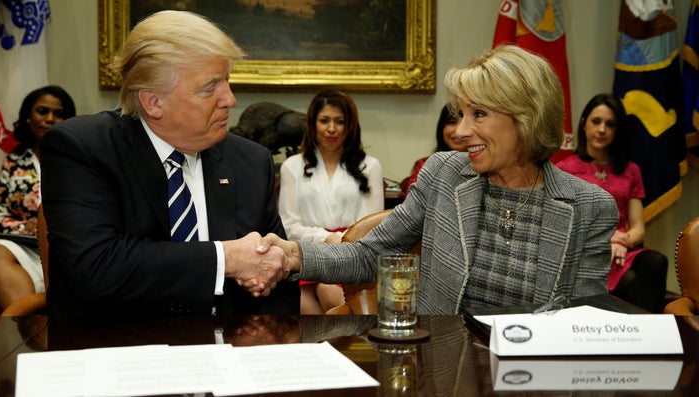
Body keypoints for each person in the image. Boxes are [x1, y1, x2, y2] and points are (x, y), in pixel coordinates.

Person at [256, 45, 619, 314]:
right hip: (442, 369)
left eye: (478, 114)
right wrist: (294, 256)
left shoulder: (590, 207)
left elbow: (583, 322)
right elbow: (370, 256)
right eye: (461, 114)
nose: (460, 131)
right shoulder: (443, 174)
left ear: (527, 117)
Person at [39, 10, 297, 318]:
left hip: (228, 350)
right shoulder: (82, 148)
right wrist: (224, 259)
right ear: (153, 101)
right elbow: (97, 268)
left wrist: (267, 338)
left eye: (227, 81)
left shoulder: (251, 162)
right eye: (210, 86)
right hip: (112, 350)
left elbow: (274, 275)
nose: (229, 99)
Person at [556, 93, 668, 313]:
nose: (601, 130)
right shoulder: (564, 169)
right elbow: (562, 225)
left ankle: (645, 340)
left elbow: (638, 228)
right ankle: (640, 339)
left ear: (617, 131)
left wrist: (622, 242)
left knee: (656, 261)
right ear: (583, 124)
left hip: (621, 251)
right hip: (585, 250)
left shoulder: (631, 170)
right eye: (596, 121)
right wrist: (607, 240)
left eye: (610, 124)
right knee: (635, 283)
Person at [278, 89, 384, 314]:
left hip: (353, 255)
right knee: (302, 311)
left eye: (339, 121)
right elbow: (288, 225)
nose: (331, 128)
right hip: (304, 254)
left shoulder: (370, 166)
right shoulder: (292, 166)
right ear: (313, 124)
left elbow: (371, 226)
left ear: (350, 125)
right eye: (324, 120)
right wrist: (327, 237)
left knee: (330, 293)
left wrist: (343, 241)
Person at [0, 85, 76, 315]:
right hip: (25, 247)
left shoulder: (79, 160)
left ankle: (37, 330)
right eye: (42, 111)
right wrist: (27, 227)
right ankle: (28, 328)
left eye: (59, 114)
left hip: (65, 248)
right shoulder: (14, 162)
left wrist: (47, 226)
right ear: (28, 117)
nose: (50, 119)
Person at [401, 104, 460, 199]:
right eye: (452, 122)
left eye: (464, 123)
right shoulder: (425, 165)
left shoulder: (485, 166)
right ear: (441, 128)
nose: (458, 131)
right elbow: (411, 210)